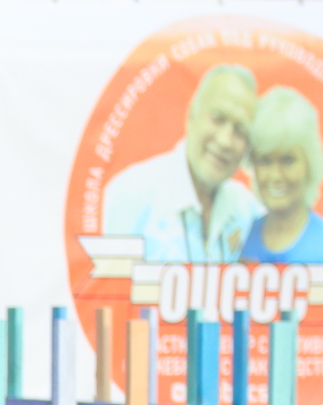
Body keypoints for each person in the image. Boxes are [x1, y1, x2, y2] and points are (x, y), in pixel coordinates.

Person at [101, 63, 261, 262]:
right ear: (191, 115)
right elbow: (106, 290)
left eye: (240, 130)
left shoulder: (246, 208)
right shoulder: (132, 195)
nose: (225, 140)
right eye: (218, 119)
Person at [239, 85, 323, 265]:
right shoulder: (242, 238)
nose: (275, 176)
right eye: (265, 161)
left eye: (287, 160)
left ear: (309, 164)